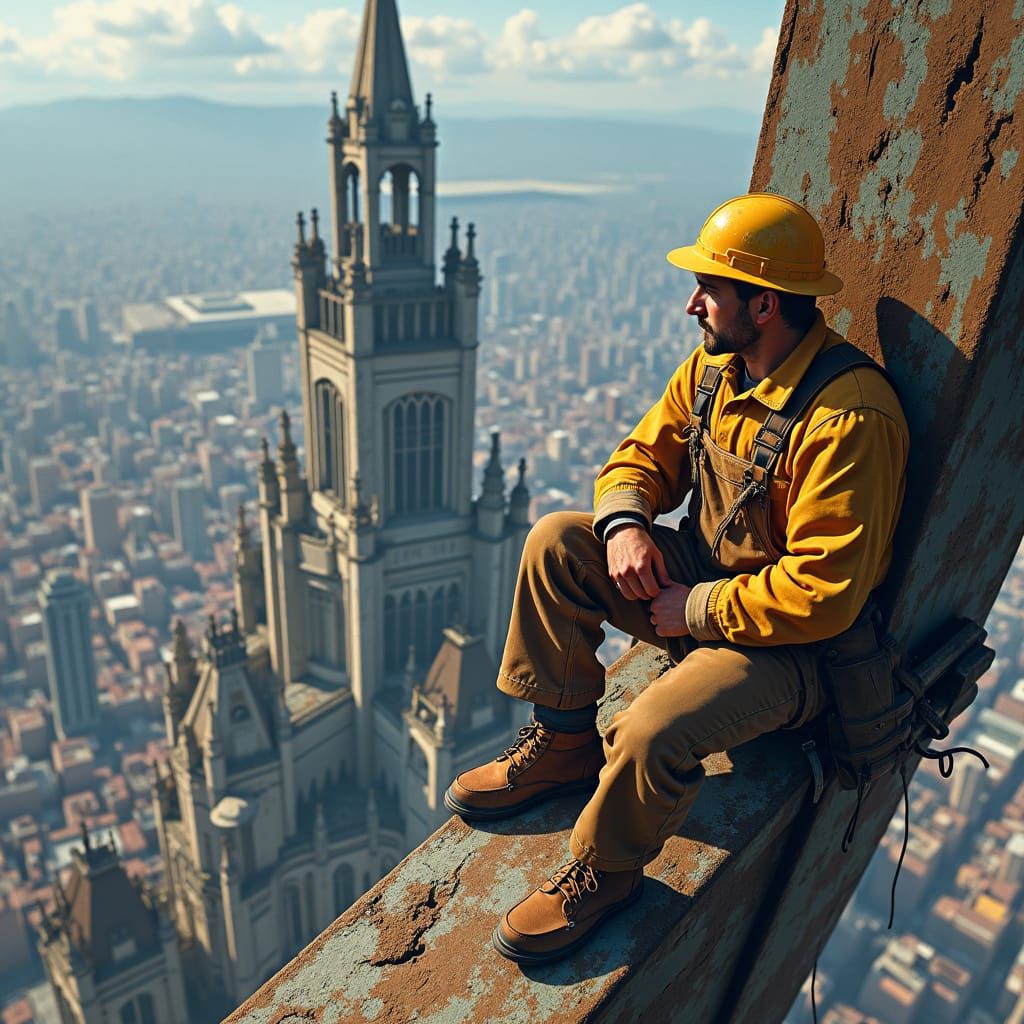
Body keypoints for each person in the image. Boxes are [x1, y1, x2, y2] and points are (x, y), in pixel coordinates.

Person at [444, 192, 909, 965]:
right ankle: (562, 743)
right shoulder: (716, 369)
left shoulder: (849, 421)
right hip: (706, 586)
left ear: (762, 304)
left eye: (710, 290)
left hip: (795, 649)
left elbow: (824, 594)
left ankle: (607, 870)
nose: (694, 303)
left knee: (653, 728)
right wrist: (626, 525)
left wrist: (691, 608)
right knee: (559, 541)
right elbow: (639, 458)